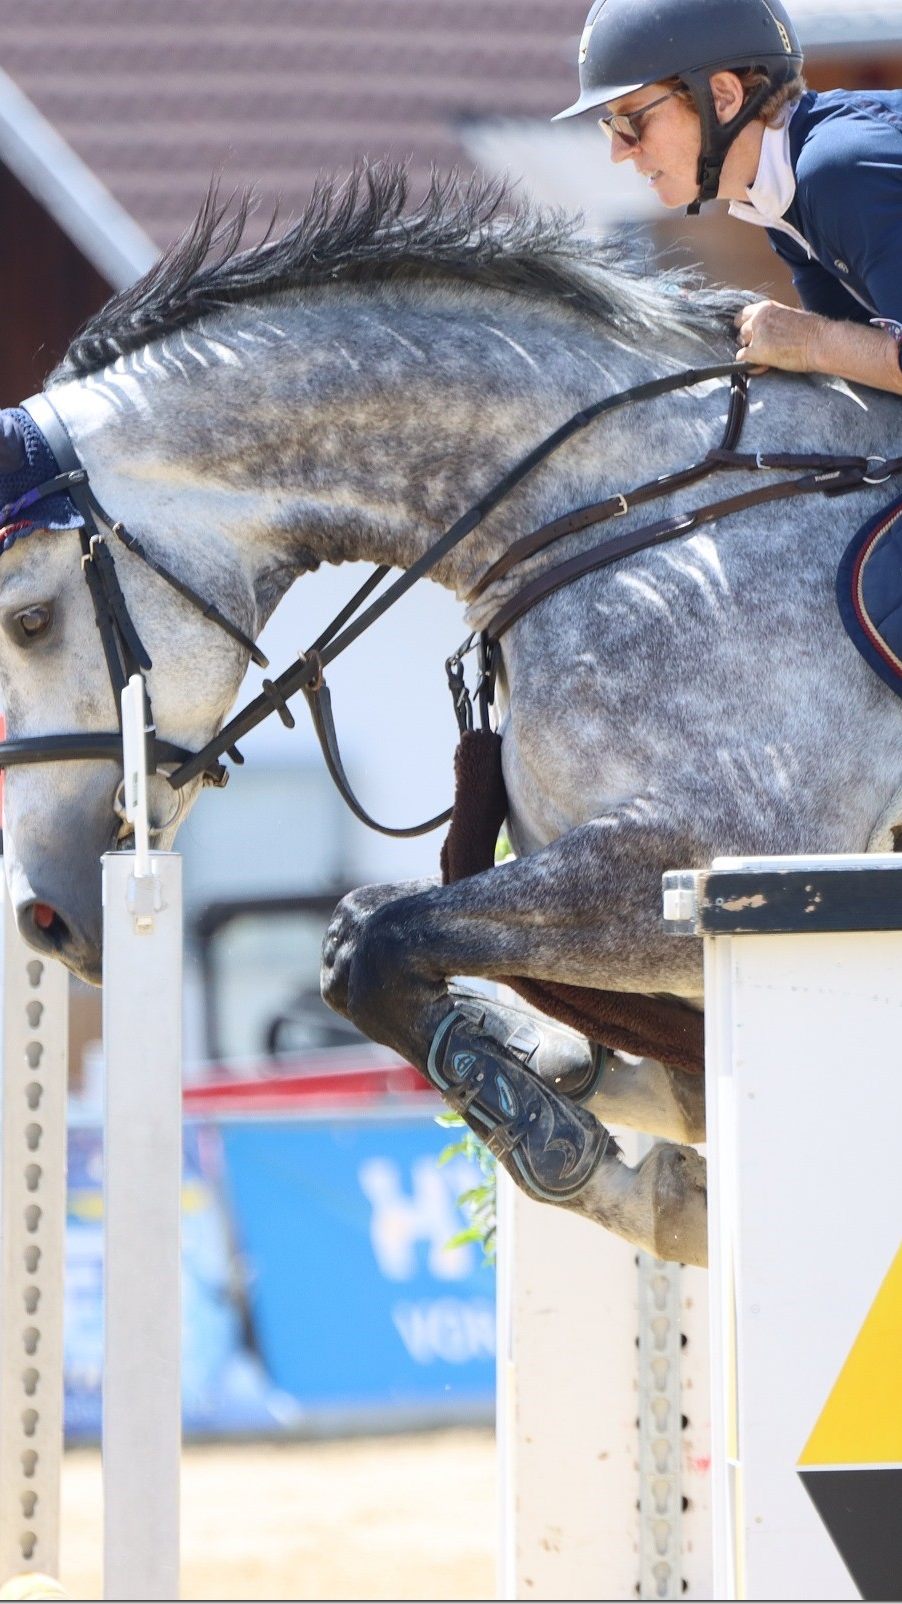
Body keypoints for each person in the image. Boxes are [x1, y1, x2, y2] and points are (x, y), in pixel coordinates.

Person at [554, 0, 902, 397]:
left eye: (632, 120)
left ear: (723, 97)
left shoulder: (837, 172)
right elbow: (876, 379)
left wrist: (812, 341)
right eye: (610, 125)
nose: (619, 151)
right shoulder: (781, 199)